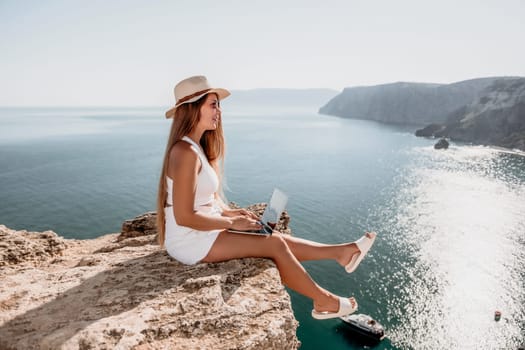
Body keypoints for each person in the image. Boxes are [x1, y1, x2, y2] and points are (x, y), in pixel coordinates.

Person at [156, 75, 377, 320]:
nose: (219, 111)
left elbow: (204, 201)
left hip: (203, 231)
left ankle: (341, 252)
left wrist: (231, 213)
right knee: (273, 244)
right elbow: (185, 216)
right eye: (213, 104)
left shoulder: (195, 147)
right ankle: (323, 300)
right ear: (192, 108)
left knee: (270, 235)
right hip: (189, 241)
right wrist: (231, 223)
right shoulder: (184, 152)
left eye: (219, 105)